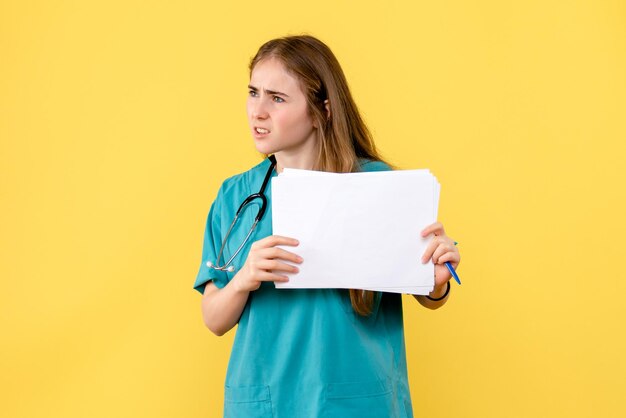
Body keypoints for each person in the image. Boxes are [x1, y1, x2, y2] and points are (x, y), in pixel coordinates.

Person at [193, 34, 461, 418]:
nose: (258, 111)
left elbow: (430, 297)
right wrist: (244, 279)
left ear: (323, 110)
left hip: (358, 401)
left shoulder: (378, 186)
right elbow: (214, 319)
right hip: (266, 403)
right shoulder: (236, 196)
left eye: (277, 98)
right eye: (253, 93)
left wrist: (435, 280)